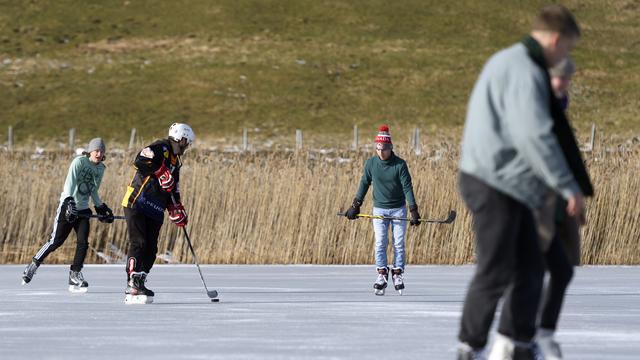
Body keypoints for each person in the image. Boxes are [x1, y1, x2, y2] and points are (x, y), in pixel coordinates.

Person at [456, 5, 592, 360]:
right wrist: (568, 186)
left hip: (511, 185)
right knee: (495, 268)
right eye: (567, 49)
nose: (564, 59)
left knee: (532, 268)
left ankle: (517, 344)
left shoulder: (512, 62)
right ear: (557, 39)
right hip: (492, 182)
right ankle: (469, 347)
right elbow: (535, 136)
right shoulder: (522, 69)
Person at [530, 57, 581, 360]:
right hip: (534, 205)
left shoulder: (558, 110)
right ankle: (524, 337)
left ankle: (540, 333)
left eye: (567, 79)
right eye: (558, 78)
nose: (563, 84)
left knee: (561, 269)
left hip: (558, 205)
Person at [21, 138, 114, 293]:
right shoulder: (79, 162)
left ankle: (75, 274)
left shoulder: (101, 169)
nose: (99, 154)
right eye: (96, 150)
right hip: (68, 206)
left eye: (102, 151)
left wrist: (100, 207)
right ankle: (33, 265)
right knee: (55, 241)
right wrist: (69, 201)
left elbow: (93, 189)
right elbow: (69, 183)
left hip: (83, 210)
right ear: (90, 151)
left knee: (83, 242)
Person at [121, 123, 194, 304]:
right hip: (137, 201)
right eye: (187, 142)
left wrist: (176, 208)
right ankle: (132, 280)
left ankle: (141, 280)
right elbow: (140, 160)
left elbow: (172, 188)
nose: (187, 146)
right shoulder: (161, 148)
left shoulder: (177, 162)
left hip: (156, 207)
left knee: (152, 248)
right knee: (139, 242)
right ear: (181, 139)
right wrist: (161, 171)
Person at [344, 124, 420, 296]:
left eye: (384, 148)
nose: (381, 152)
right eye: (378, 148)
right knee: (380, 242)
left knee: (398, 243)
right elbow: (364, 183)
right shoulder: (371, 164)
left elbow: (407, 187)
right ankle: (382, 273)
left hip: (398, 209)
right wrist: (356, 205)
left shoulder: (400, 165)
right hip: (379, 209)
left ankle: (398, 273)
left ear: (390, 147)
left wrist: (413, 209)